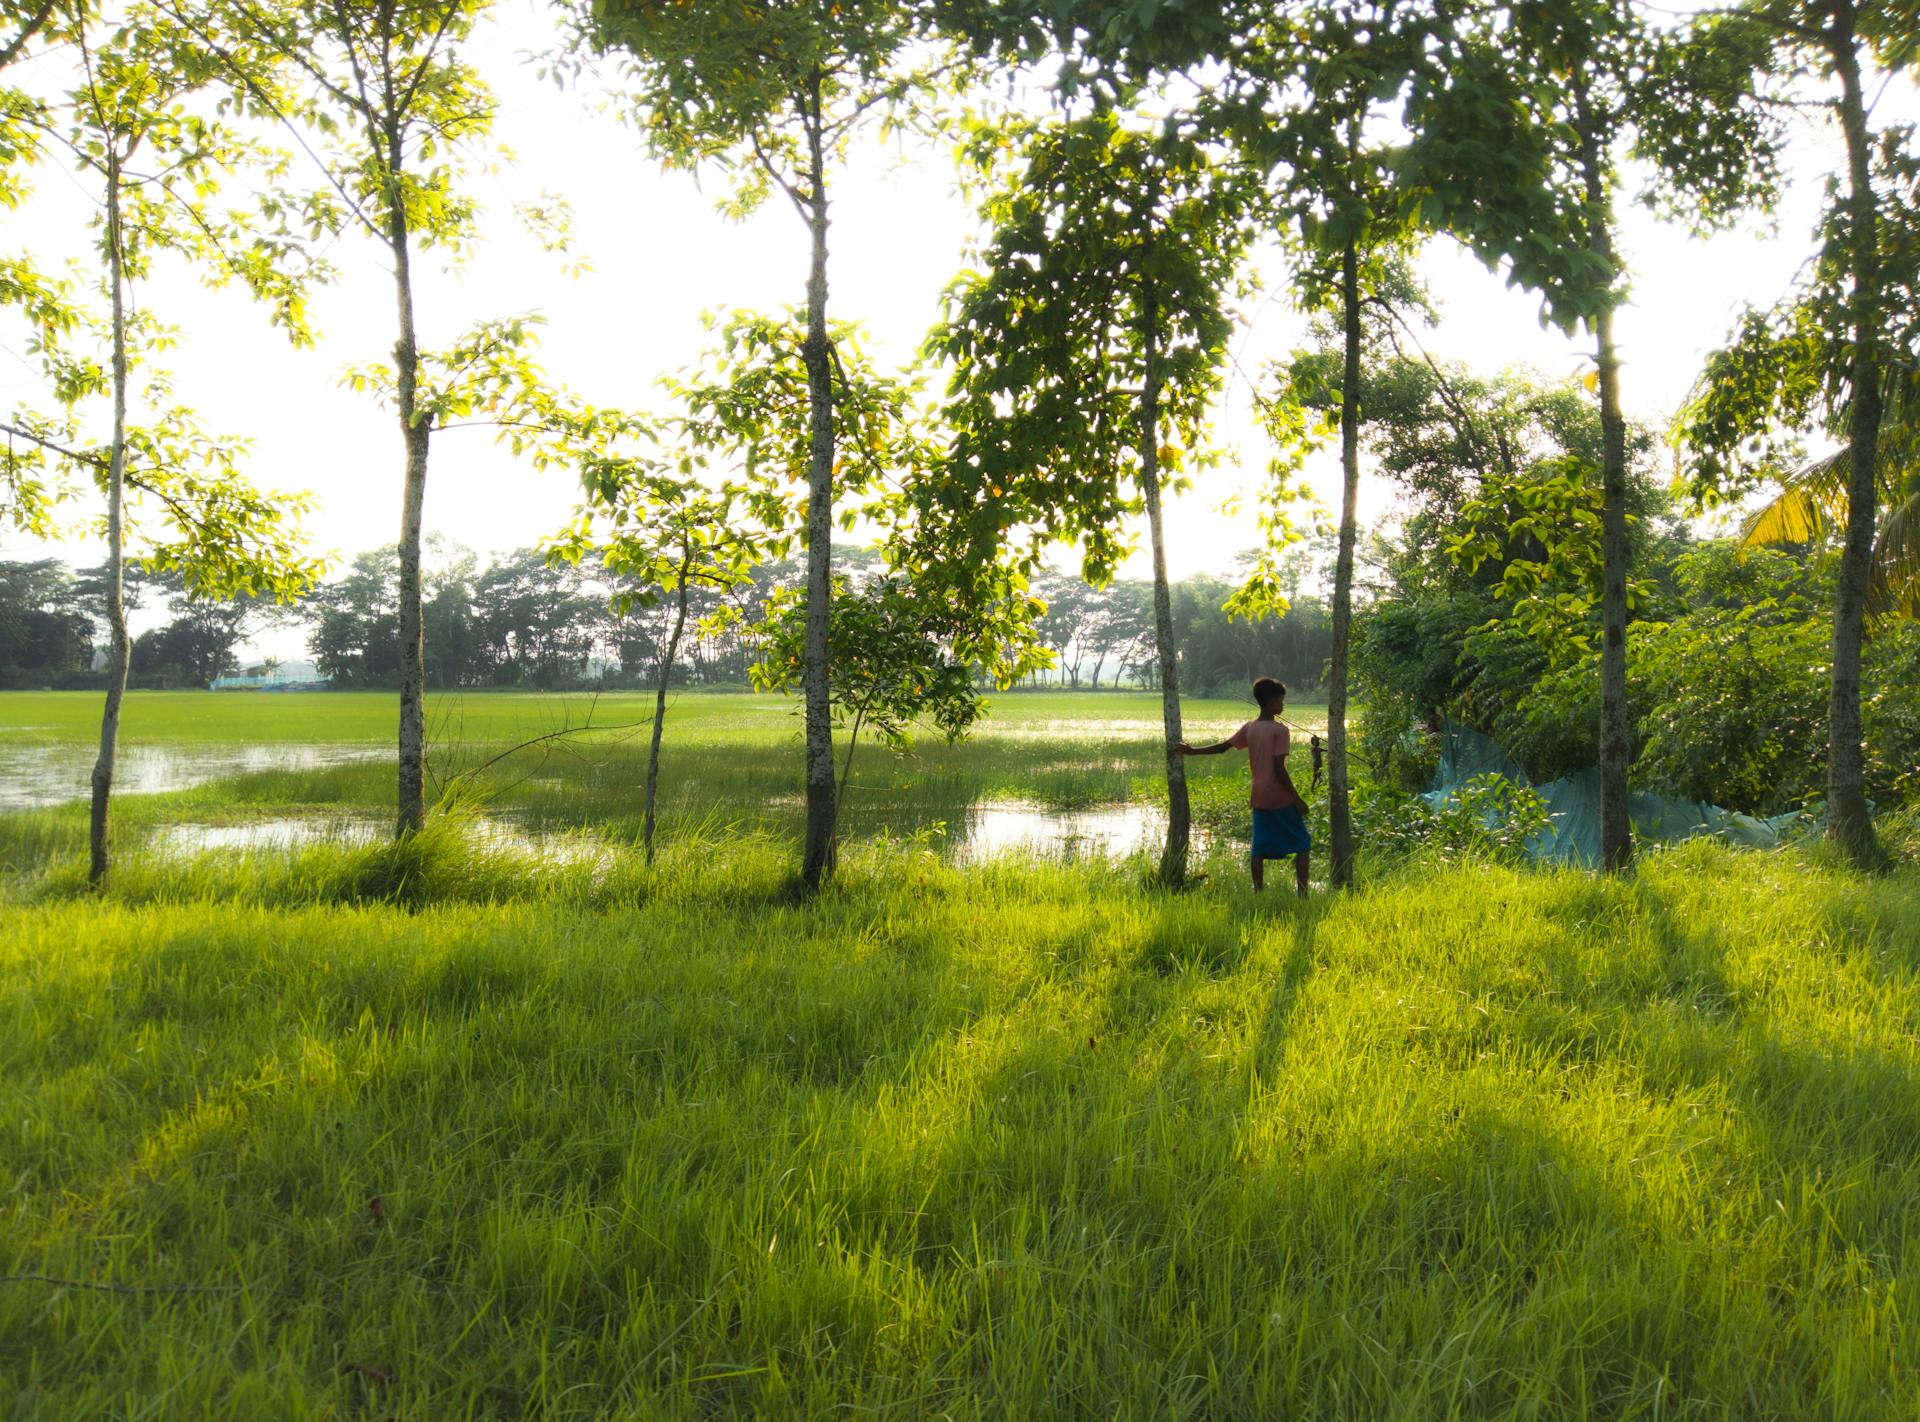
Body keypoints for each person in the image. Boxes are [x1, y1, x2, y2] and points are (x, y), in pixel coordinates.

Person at [1179, 677, 1312, 896]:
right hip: (1278, 794)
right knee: (1302, 843)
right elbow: (1279, 769)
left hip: (1258, 794)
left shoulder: (1249, 728)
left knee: (1259, 847)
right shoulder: (1281, 731)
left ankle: (1258, 892)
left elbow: (1223, 748)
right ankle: (1303, 895)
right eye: (1280, 700)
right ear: (1270, 702)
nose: (1283, 705)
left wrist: (1192, 751)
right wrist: (1297, 799)